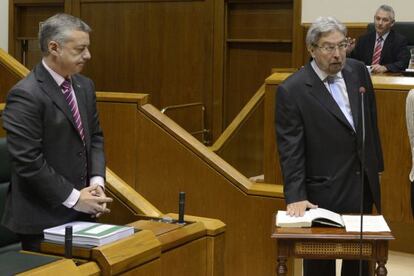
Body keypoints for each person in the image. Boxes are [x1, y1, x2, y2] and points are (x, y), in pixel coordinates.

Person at [276, 17, 384, 276]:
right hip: (321, 193)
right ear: (311, 49)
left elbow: (370, 118)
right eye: (328, 47)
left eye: (342, 45)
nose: (337, 54)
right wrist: (295, 195)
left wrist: (376, 166)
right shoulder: (293, 90)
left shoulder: (357, 70)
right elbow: (290, 148)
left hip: (360, 186)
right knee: (320, 265)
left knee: (360, 264)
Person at [1, 13, 113, 252]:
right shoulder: (26, 94)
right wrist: (75, 198)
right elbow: (28, 160)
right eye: (80, 49)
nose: (88, 55)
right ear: (54, 47)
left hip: (84, 210)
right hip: (43, 218)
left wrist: (97, 183)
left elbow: (94, 137)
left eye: (87, 48)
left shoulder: (84, 85)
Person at [348, 4, 410, 73]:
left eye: (385, 20)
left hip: (387, 79)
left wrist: (385, 67)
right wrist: (349, 52)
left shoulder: (399, 41)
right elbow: (355, 62)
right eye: (378, 19)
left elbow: (403, 63)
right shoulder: (363, 40)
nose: (380, 23)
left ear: (392, 23)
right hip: (366, 79)